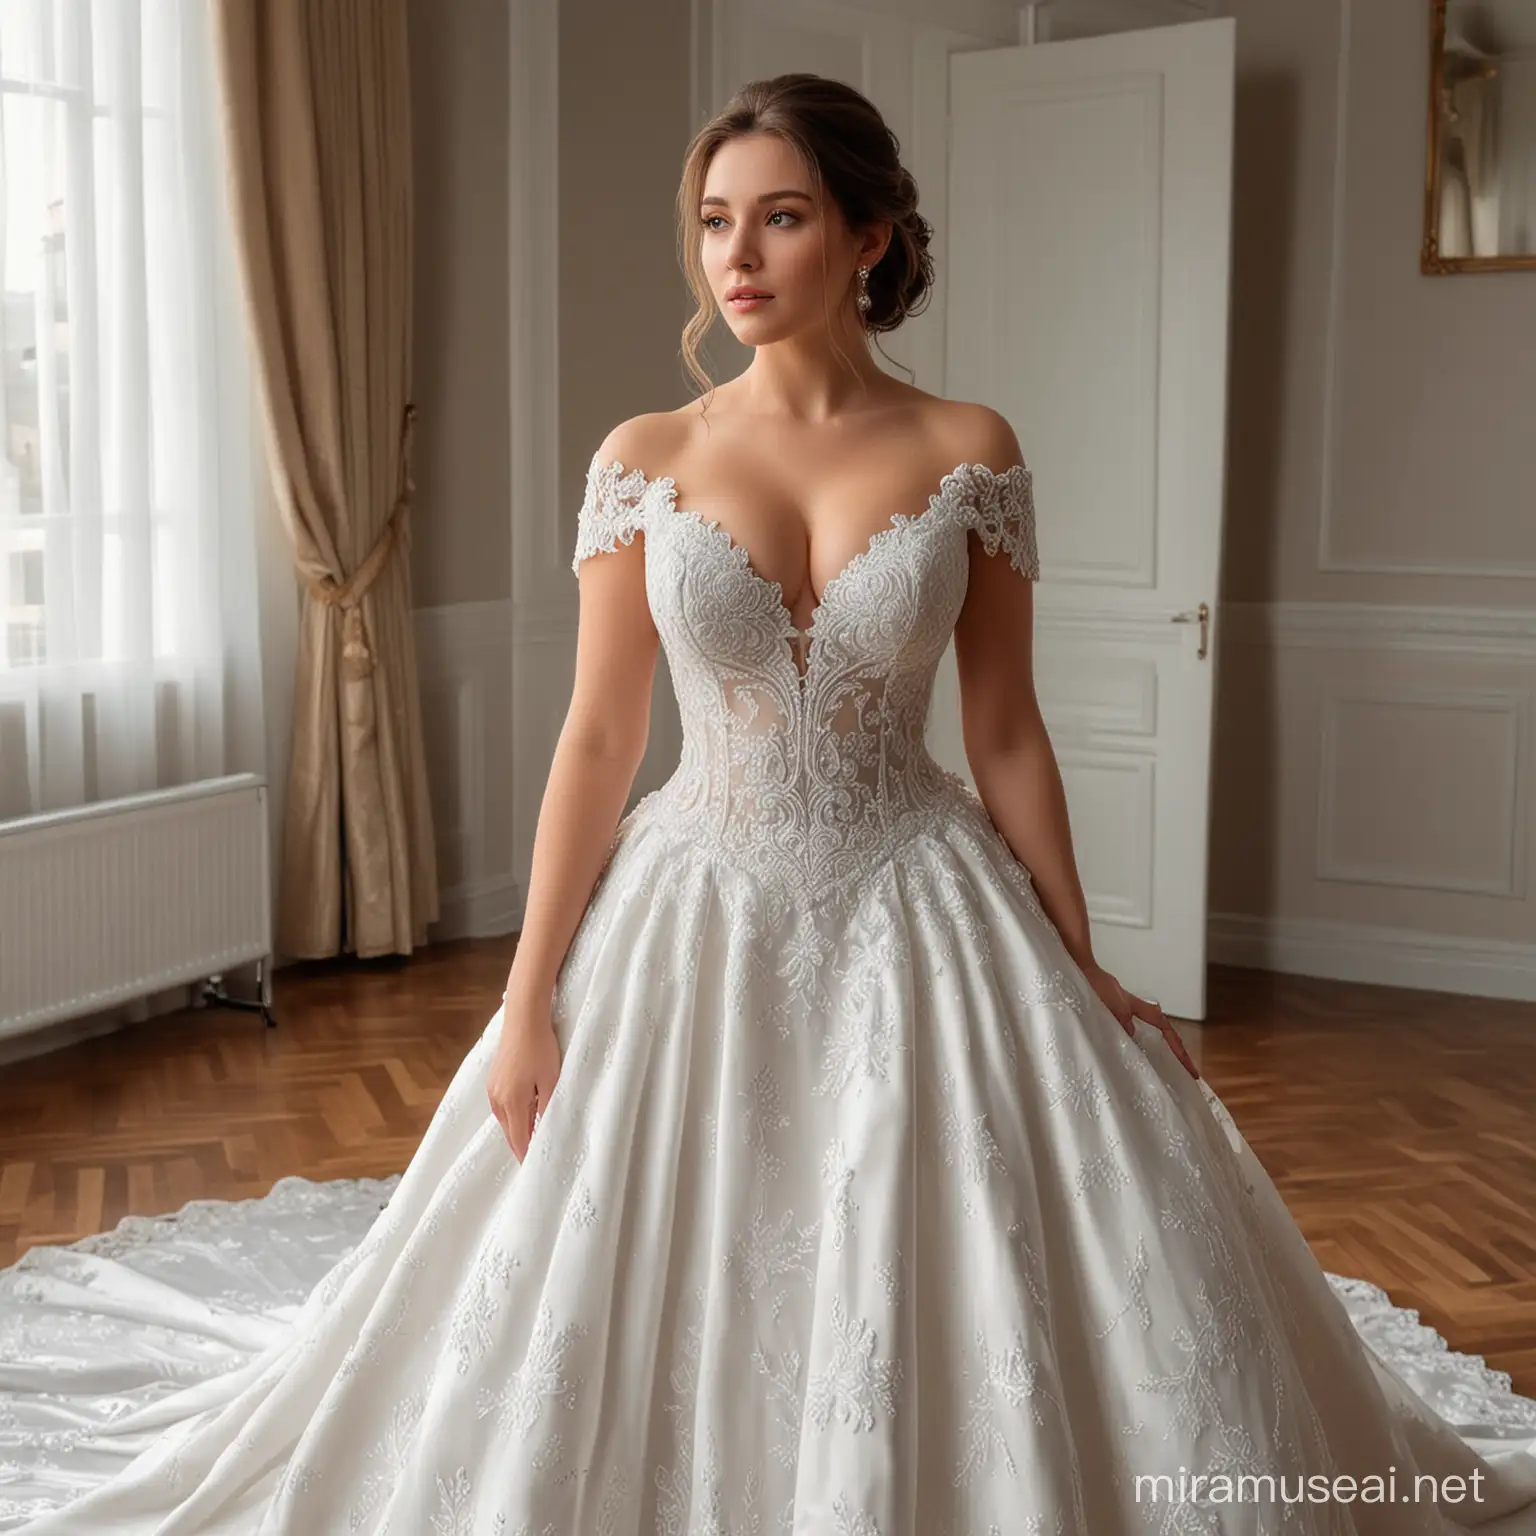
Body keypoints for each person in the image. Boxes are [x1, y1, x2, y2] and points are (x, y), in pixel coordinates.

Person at [3, 70, 1536, 1536]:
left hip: (921, 897)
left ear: (871, 237)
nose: (738, 253)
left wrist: (1080, 968)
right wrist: (528, 999)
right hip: (696, 900)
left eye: (783, 215)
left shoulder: (967, 449)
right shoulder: (647, 457)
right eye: (717, 218)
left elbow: (1003, 731)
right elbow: (599, 740)